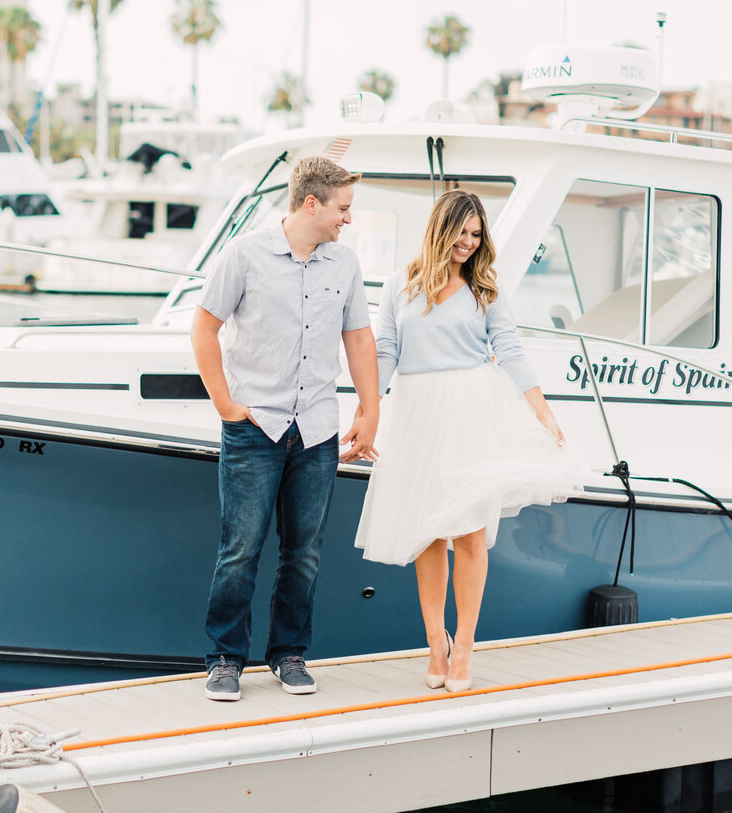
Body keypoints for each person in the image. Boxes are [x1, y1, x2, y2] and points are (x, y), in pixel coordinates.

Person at [354, 189, 579, 693]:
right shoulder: (399, 286)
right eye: (462, 232)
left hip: (470, 410)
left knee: (469, 535)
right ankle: (437, 642)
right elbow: (385, 351)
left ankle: (466, 648)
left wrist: (541, 410)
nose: (469, 242)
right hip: (415, 412)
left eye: (477, 235)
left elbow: (511, 350)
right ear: (441, 227)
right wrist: (368, 411)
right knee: (427, 533)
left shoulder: (486, 290)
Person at [192, 155, 381, 702]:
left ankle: (288, 655)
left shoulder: (344, 264)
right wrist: (226, 405)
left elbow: (360, 339)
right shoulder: (245, 255)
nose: (348, 218)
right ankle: (225, 659)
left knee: (305, 552)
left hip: (318, 428)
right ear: (312, 203)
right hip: (255, 427)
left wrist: (370, 410)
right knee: (241, 548)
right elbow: (204, 328)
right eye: (343, 208)